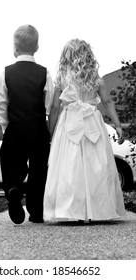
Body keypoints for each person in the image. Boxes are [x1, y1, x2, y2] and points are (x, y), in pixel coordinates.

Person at [43, 39, 126, 223]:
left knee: (69, 165)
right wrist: (118, 125)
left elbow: (55, 108)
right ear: (87, 55)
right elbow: (107, 102)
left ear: (66, 56)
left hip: (69, 121)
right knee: (96, 163)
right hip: (92, 121)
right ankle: (98, 210)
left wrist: (51, 131)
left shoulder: (61, 78)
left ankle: (72, 210)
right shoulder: (95, 77)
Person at [0, 24, 54, 224]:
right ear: (37, 47)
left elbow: (0, 104)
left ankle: (13, 188)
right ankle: (36, 211)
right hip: (37, 126)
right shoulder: (44, 73)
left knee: (11, 162)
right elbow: (49, 104)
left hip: (15, 126)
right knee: (39, 169)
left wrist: (5, 127)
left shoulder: (6, 72)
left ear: (15, 47)